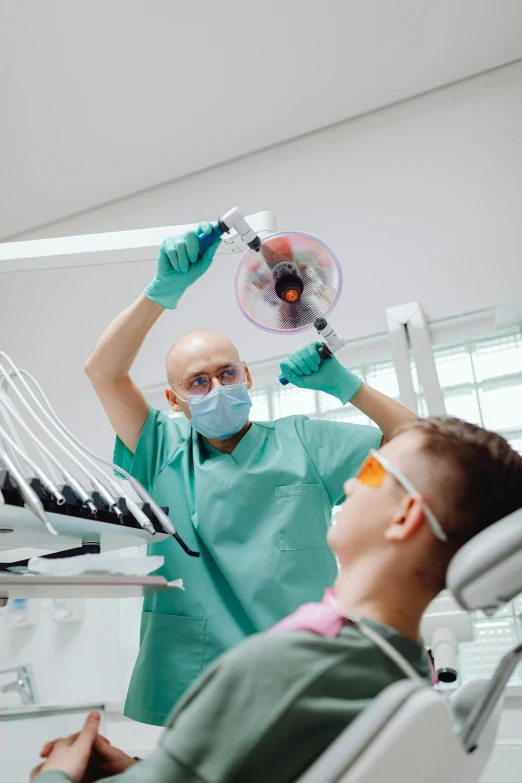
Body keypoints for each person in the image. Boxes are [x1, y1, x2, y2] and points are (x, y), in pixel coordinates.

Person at [32, 417, 522, 783]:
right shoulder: (403, 670)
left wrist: (58, 774)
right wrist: (153, 768)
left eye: (371, 470)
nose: (350, 482)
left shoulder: (292, 667)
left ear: (405, 516)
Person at [84, 221, 418, 725]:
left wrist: (349, 387)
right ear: (174, 401)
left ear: (247, 375)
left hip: (299, 674)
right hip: (192, 681)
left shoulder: (305, 442)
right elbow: (103, 371)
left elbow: (424, 446)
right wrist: (162, 292)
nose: (216, 386)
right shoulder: (158, 449)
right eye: (197, 382)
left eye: (226, 373)